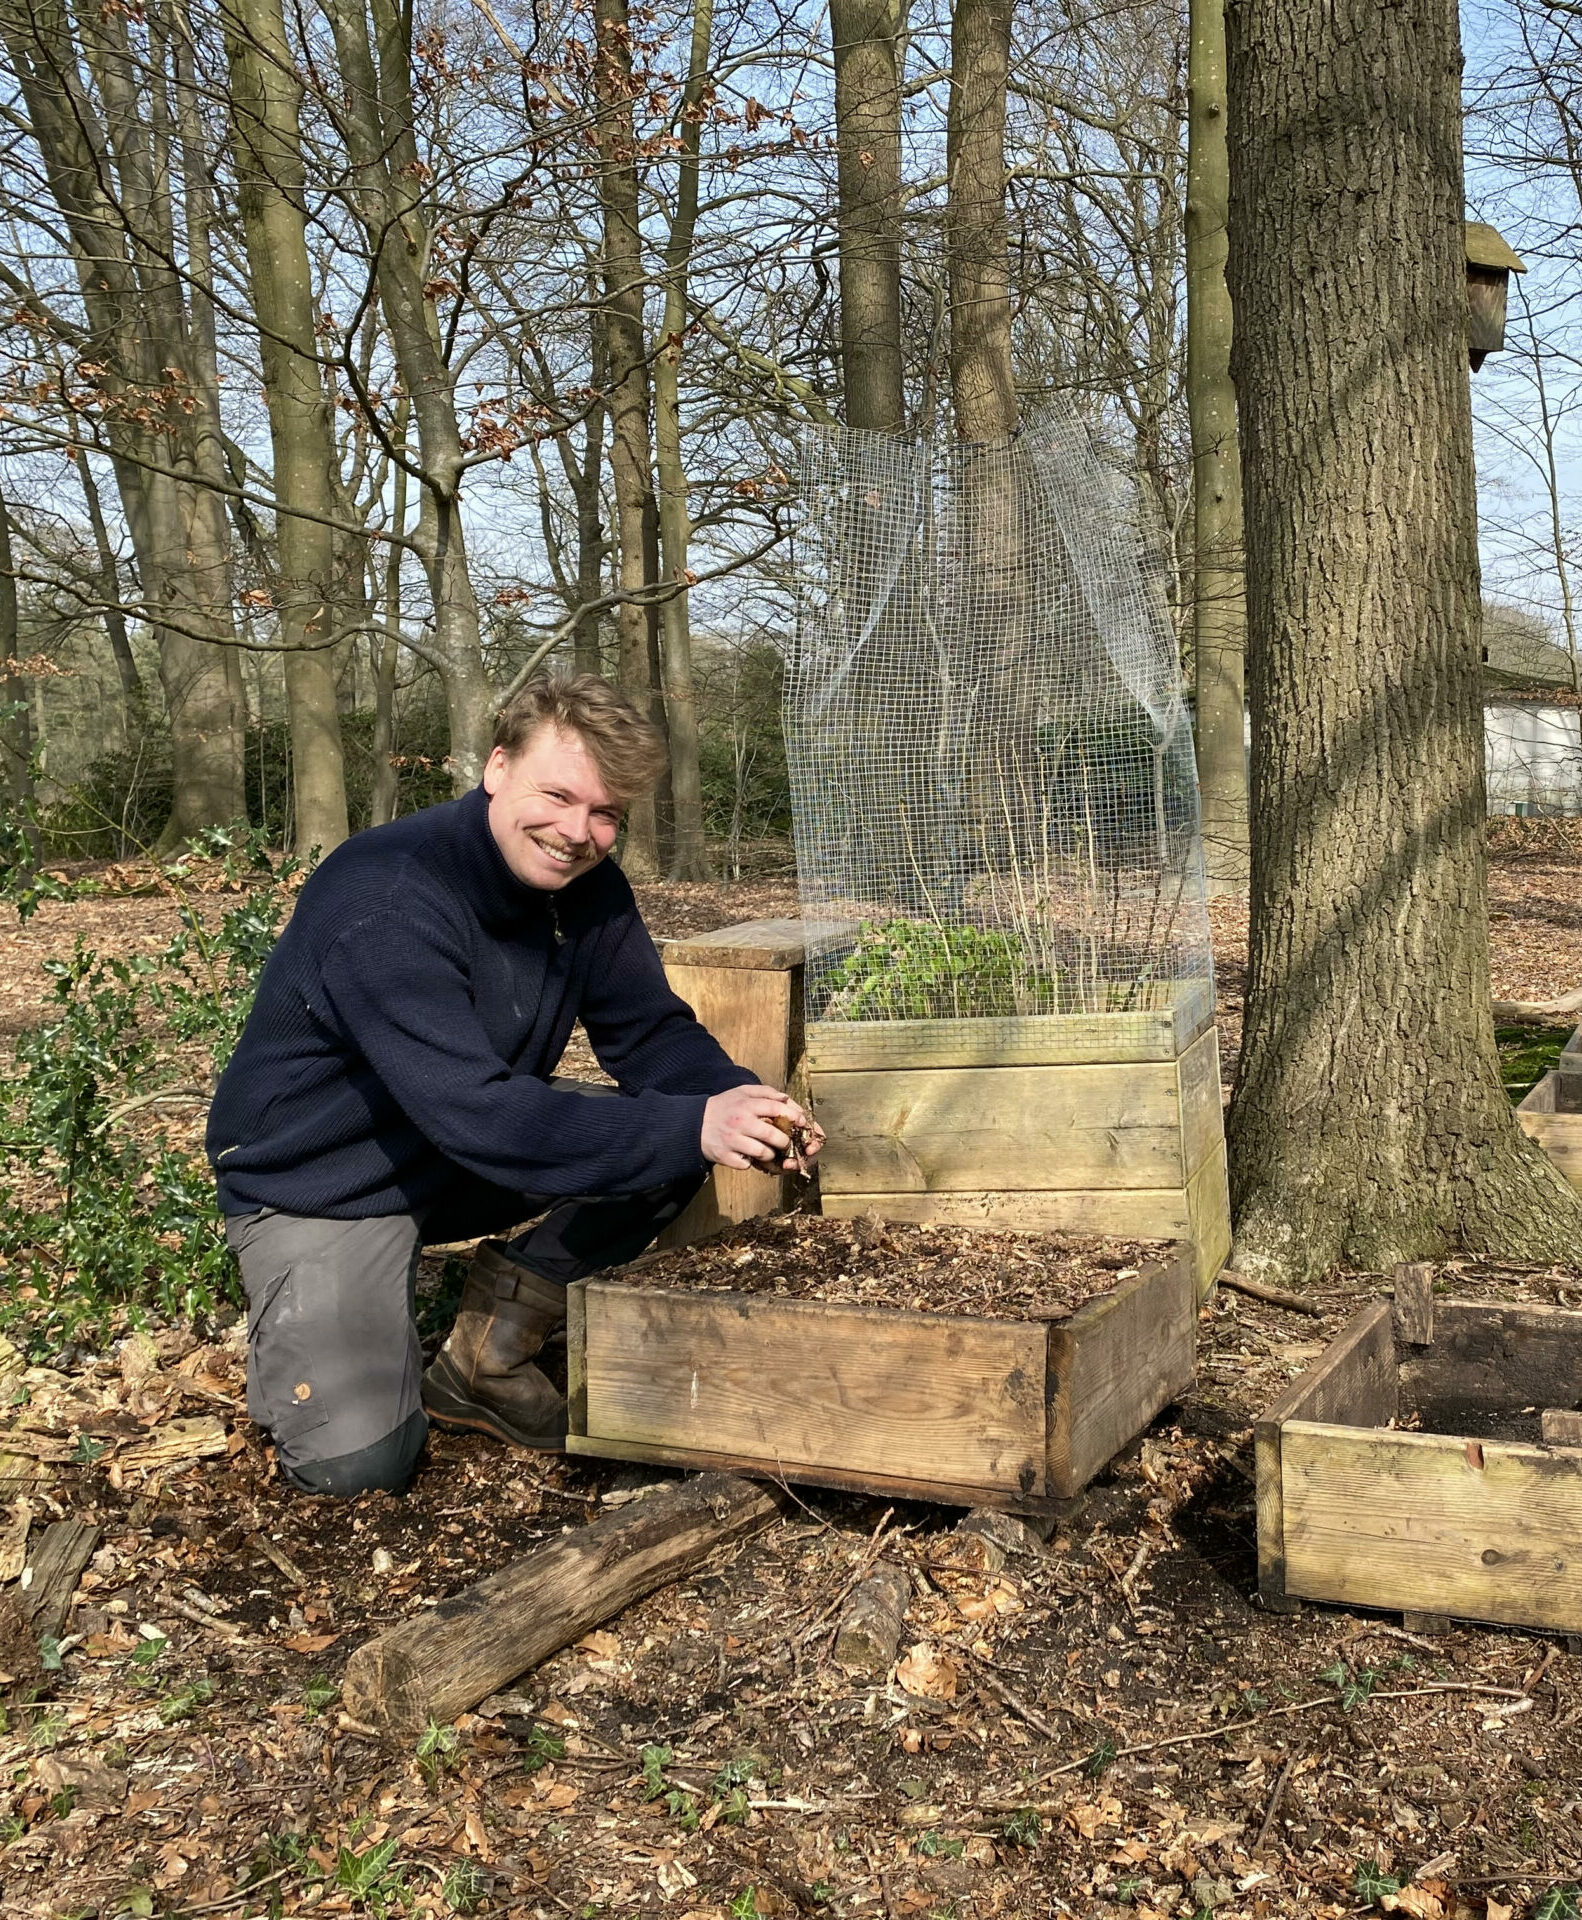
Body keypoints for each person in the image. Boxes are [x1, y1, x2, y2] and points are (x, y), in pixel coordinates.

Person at [206, 673, 822, 1497]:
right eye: (558, 796)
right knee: (358, 1469)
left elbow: (648, 1032)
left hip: (455, 1151)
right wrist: (693, 1126)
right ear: (497, 767)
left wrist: (740, 1104)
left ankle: (487, 1359)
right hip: (324, 1183)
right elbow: (483, 1115)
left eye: (606, 813)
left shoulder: (587, 889)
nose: (578, 833)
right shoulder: (387, 895)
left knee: (679, 1134)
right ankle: (328, 1336)